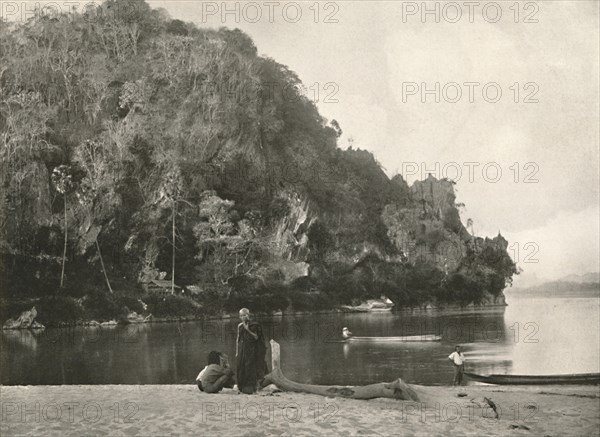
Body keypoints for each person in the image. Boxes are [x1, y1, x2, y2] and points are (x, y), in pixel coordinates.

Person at [236, 308, 268, 394]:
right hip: (243, 350)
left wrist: (247, 330)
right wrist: (237, 352)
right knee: (242, 367)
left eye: (244, 315)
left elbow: (256, 337)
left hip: (253, 350)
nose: (242, 317)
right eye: (241, 316)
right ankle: (242, 387)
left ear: (248, 315)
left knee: (251, 367)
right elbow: (238, 339)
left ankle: (253, 387)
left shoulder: (255, 325)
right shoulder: (239, 326)